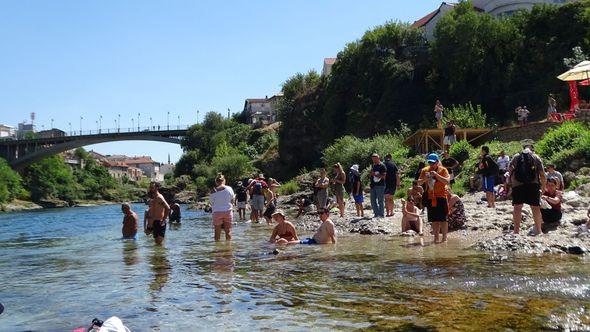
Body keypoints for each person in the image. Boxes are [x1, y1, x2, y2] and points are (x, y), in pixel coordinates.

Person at [509, 143, 546, 236]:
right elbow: (542, 174)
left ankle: (516, 231)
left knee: (517, 207)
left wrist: (512, 182)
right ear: (532, 149)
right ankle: (538, 230)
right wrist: (543, 186)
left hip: (518, 184)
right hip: (533, 184)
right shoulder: (535, 157)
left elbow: (509, 170)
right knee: (535, 207)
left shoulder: (516, 157)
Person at [418, 153, 450, 243]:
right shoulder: (424, 170)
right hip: (430, 197)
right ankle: (436, 239)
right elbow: (419, 183)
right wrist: (425, 179)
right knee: (434, 219)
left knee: (443, 219)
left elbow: (447, 181)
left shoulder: (443, 170)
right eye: (429, 163)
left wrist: (436, 175)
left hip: (441, 196)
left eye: (433, 163)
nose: (431, 165)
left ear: (437, 162)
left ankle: (444, 238)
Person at [210, 173, 235, 241]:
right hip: (228, 211)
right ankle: (228, 249)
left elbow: (211, 203)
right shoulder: (229, 188)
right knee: (228, 231)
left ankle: (217, 250)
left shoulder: (213, 191)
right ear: (224, 180)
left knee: (217, 233)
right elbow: (232, 200)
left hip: (217, 212)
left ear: (216, 181)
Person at [370, 153, 387, 218]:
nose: (373, 160)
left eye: (374, 159)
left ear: (378, 158)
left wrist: (375, 175)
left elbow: (384, 176)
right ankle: (376, 213)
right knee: (372, 200)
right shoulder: (373, 166)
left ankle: (381, 214)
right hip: (373, 185)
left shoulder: (382, 166)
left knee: (380, 200)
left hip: (380, 185)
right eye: (372, 159)